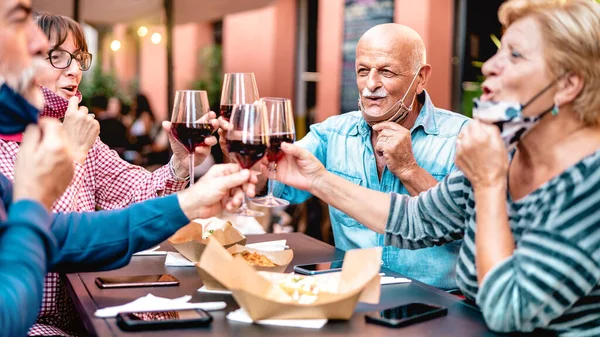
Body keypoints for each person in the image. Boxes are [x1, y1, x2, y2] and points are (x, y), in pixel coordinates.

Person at [274, 0, 600, 335]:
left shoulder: (590, 183)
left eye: (515, 55)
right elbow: (415, 220)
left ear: (567, 85)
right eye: (499, 51)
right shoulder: (505, 151)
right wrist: (317, 180)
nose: (489, 66)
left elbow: (509, 310)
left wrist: (488, 182)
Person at [0, 2, 257, 336]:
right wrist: (73, 157)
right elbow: (44, 244)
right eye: (57, 56)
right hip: (37, 324)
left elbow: (123, 201)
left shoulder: (72, 131)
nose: (75, 70)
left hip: (84, 309)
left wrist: (182, 173)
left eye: (78, 58)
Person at [220, 24, 469, 290]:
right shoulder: (332, 133)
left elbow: (468, 225)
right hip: (350, 296)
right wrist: (246, 161)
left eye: (386, 71)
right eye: (363, 71)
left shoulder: (463, 138)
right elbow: (272, 187)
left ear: (421, 78)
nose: (371, 84)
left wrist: (410, 169)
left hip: (436, 302)